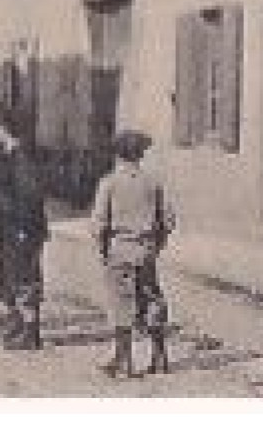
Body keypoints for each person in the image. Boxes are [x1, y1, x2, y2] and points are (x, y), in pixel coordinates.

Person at [90, 129, 176, 378]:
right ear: (141, 154)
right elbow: (168, 220)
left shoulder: (109, 183)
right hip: (146, 250)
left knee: (121, 303)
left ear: (118, 154)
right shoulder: (153, 182)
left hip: (120, 249)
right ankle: (159, 358)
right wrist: (156, 245)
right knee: (151, 299)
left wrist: (103, 248)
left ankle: (124, 362)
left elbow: (98, 223)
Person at [0, 105, 48, 350]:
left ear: (4, 129)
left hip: (20, 229)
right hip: (8, 229)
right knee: (0, 279)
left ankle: (29, 333)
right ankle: (18, 323)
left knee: (23, 279)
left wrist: (23, 228)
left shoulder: (21, 158)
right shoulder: (8, 156)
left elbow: (29, 197)